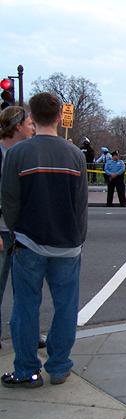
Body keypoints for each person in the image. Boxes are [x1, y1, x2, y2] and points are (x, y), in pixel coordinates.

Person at [1, 92, 88, 388]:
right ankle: (59, 366)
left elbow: (9, 200)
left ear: (33, 118)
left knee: (25, 307)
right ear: (58, 118)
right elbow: (80, 204)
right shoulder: (75, 154)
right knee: (66, 307)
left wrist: (15, 230)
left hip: (29, 241)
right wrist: (78, 238)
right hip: (68, 244)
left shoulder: (17, 154)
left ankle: (27, 370)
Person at [0, 106, 35, 349]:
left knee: (26, 290)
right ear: (16, 126)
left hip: (24, 232)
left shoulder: (29, 153)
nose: (33, 127)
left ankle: (26, 335)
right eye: (29, 123)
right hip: (3, 230)